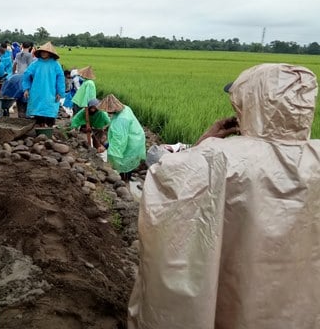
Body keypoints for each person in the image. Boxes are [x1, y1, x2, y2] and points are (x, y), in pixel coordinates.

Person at [128, 63, 320, 329]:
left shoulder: (218, 157)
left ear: (252, 103)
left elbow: (165, 176)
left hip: (237, 293)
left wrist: (205, 141)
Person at [100, 94, 146, 181]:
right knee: (128, 161)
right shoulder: (125, 108)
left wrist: (105, 147)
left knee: (123, 161)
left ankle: (124, 182)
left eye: (108, 111)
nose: (107, 112)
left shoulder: (121, 120)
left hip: (131, 141)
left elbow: (118, 142)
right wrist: (109, 125)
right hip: (137, 136)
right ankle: (126, 178)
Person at [22, 41, 65, 127]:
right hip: (36, 90)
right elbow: (26, 76)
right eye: (42, 51)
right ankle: (38, 129)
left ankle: (49, 130)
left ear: (50, 53)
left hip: (51, 91)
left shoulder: (56, 65)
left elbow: (60, 79)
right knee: (38, 111)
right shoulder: (35, 64)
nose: (44, 53)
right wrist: (26, 89)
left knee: (49, 110)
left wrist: (59, 92)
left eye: (46, 52)